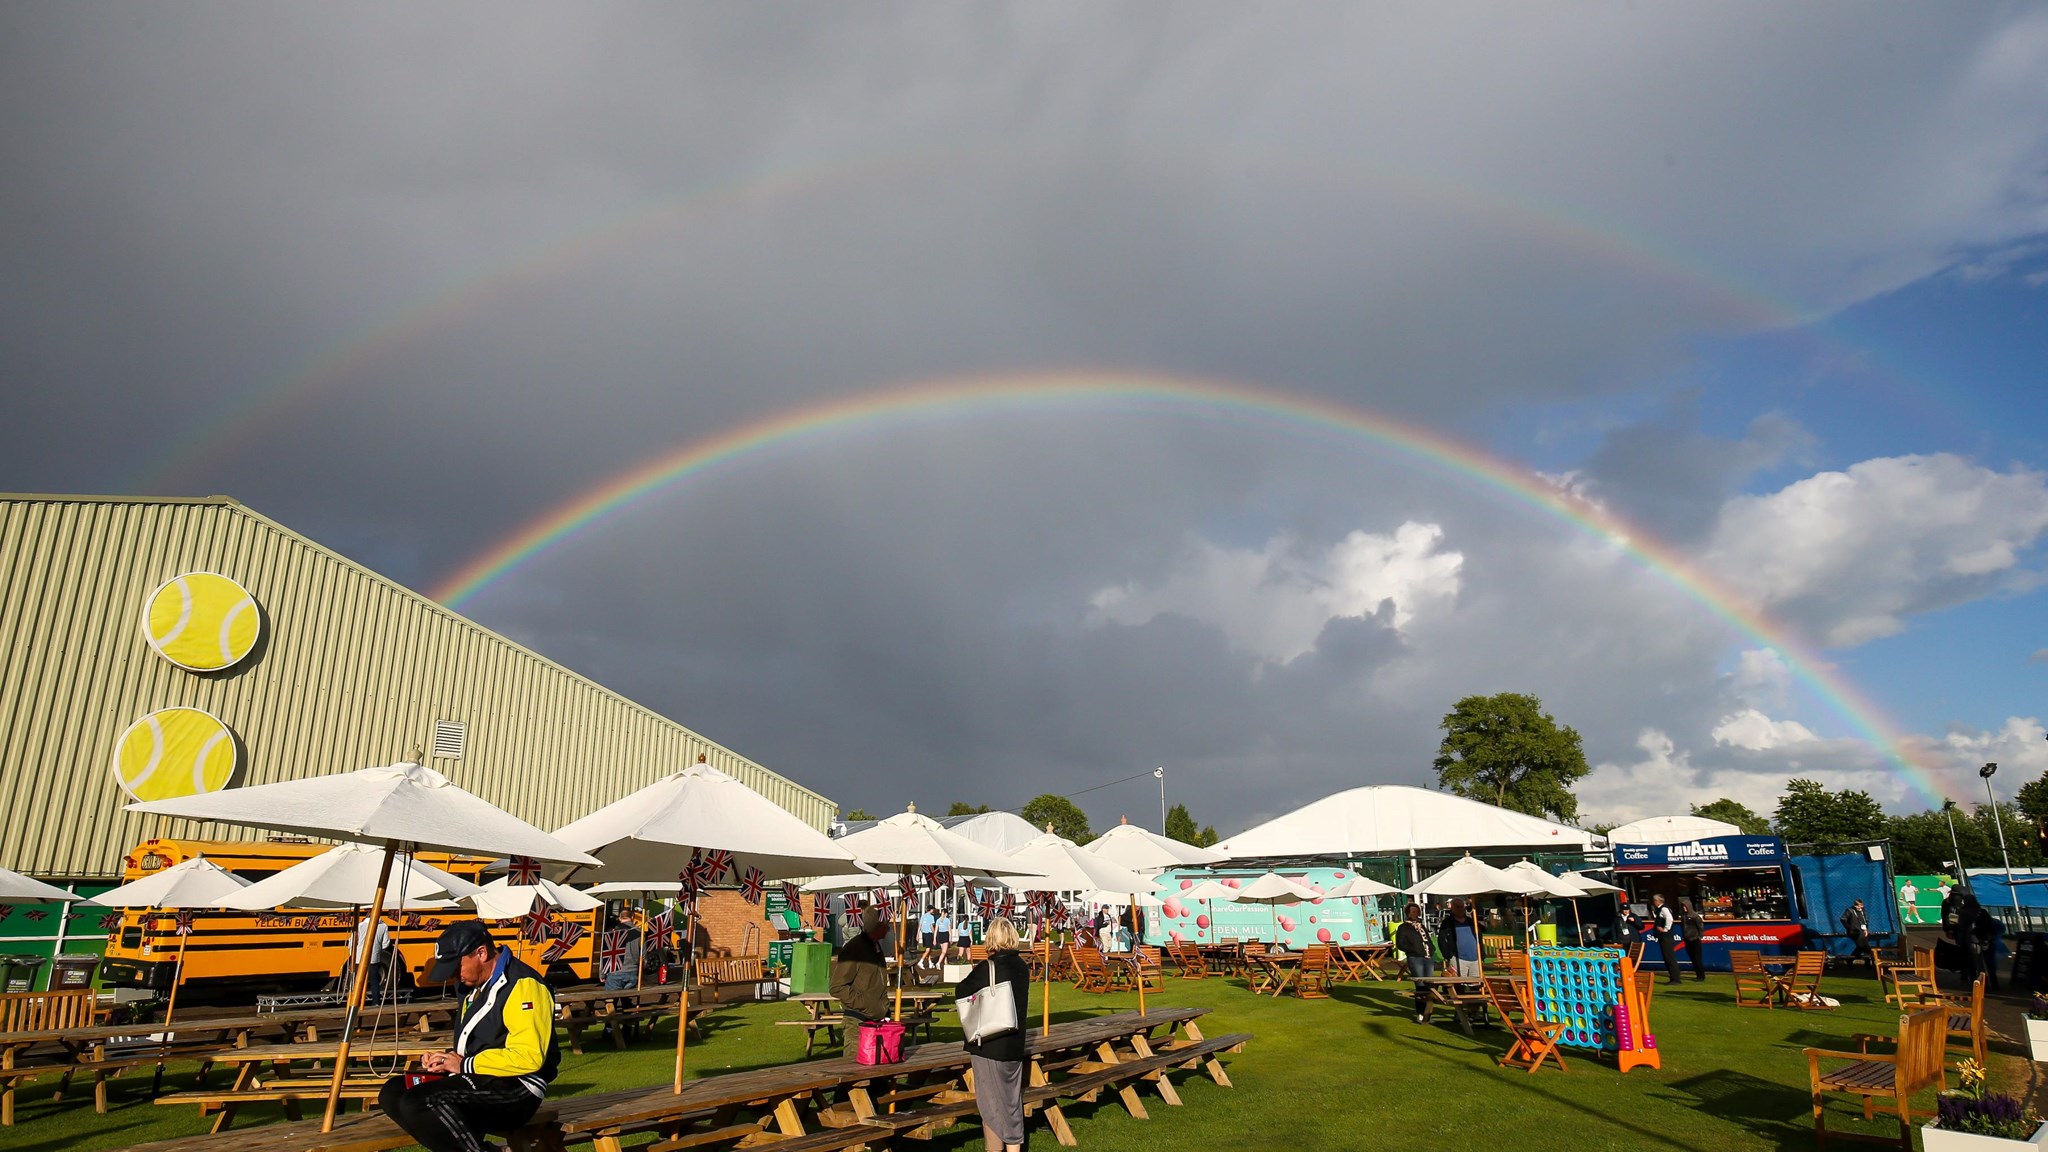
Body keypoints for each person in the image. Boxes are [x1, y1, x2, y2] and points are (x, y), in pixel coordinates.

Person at [379, 921, 559, 1152]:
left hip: (518, 1087)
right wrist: (446, 1060)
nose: (454, 974)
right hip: (480, 1076)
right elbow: (478, 1040)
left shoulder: (524, 984)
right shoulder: (471, 986)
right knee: (394, 1091)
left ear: (481, 953)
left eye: (456, 966)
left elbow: (529, 1057)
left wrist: (464, 1064)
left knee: (420, 1102)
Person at [954, 917, 1030, 1152]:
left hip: (989, 1043)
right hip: (1014, 1045)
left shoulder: (988, 968)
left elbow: (961, 990)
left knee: (990, 1105)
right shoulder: (1022, 966)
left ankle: (993, 1149)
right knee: (1011, 1101)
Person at [830, 907, 891, 1056]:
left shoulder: (874, 946)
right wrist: (865, 1003)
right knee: (854, 1072)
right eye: (885, 924)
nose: (888, 927)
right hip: (858, 1022)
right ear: (876, 926)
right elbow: (836, 987)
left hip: (877, 1021)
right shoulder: (855, 948)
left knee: (880, 1074)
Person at [1396, 903, 1434, 1023]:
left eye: (1417, 912)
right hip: (1415, 958)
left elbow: (1427, 939)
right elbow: (1400, 944)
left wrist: (1432, 949)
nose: (1415, 914)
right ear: (1407, 913)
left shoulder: (1421, 926)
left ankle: (1428, 1013)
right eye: (1413, 912)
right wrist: (1413, 950)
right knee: (1420, 985)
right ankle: (1420, 1013)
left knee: (1429, 986)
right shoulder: (1403, 928)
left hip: (1427, 957)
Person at [1436, 899, 1483, 978]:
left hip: (1475, 959)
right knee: (1459, 984)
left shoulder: (1471, 921)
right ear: (1452, 908)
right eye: (1457, 907)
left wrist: (1481, 954)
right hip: (1458, 958)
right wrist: (1448, 955)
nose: (1460, 909)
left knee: (1476, 985)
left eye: (1462, 907)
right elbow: (1441, 939)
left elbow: (1480, 936)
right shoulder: (1448, 922)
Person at [351, 913, 393, 997]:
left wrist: (352, 954)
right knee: (374, 979)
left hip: (359, 957)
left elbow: (352, 941)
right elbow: (386, 943)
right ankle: (376, 1000)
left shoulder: (360, 926)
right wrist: (378, 950)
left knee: (358, 980)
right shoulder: (383, 926)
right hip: (374, 957)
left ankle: (356, 1000)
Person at [602, 919, 643, 991]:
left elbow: (606, 955)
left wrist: (602, 973)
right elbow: (643, 956)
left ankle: (611, 1002)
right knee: (625, 998)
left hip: (615, 972)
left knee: (611, 999)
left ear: (620, 918)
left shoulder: (613, 933)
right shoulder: (640, 933)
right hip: (633, 972)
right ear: (632, 917)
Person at [1649, 894, 1681, 985]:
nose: (1654, 902)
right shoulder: (1661, 909)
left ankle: (1675, 979)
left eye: (1654, 901)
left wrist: (1665, 929)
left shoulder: (1664, 908)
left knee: (1670, 958)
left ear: (1657, 901)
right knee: (1668, 958)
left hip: (1666, 937)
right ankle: (1673, 977)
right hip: (1664, 937)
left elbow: (1669, 919)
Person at [1676, 901, 1707, 982]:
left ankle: (1701, 976)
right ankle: (1698, 975)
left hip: (1695, 939)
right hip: (1687, 939)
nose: (1684, 908)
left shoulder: (1695, 917)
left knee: (1697, 958)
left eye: (1685, 907)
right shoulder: (1684, 917)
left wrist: (1699, 937)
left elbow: (1700, 928)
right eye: (1683, 907)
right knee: (1692, 958)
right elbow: (1683, 927)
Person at [1842, 899, 1873, 969]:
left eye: (1860, 905)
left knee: (1863, 947)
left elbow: (1865, 921)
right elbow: (1843, 919)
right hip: (1855, 932)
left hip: (1863, 931)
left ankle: (1850, 959)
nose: (1858, 907)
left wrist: (1866, 929)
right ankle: (1867, 963)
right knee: (1863, 946)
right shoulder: (1850, 911)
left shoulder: (1863, 911)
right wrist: (1850, 928)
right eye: (1857, 905)